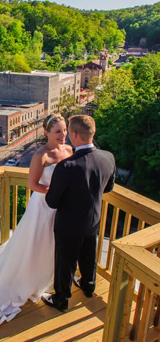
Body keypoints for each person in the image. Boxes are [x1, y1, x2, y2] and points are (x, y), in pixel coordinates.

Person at [0, 114, 72, 327]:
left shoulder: (69, 151)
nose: (63, 135)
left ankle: (41, 280)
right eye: (58, 131)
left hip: (61, 209)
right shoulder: (41, 155)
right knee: (32, 246)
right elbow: (33, 185)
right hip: (42, 207)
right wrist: (56, 192)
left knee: (51, 246)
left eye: (65, 130)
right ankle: (20, 282)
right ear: (47, 132)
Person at [43, 115, 116, 312]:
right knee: (88, 253)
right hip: (93, 219)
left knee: (65, 261)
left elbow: (52, 201)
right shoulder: (108, 157)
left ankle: (61, 298)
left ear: (74, 134)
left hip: (69, 223)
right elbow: (108, 188)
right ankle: (88, 285)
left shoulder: (66, 166)